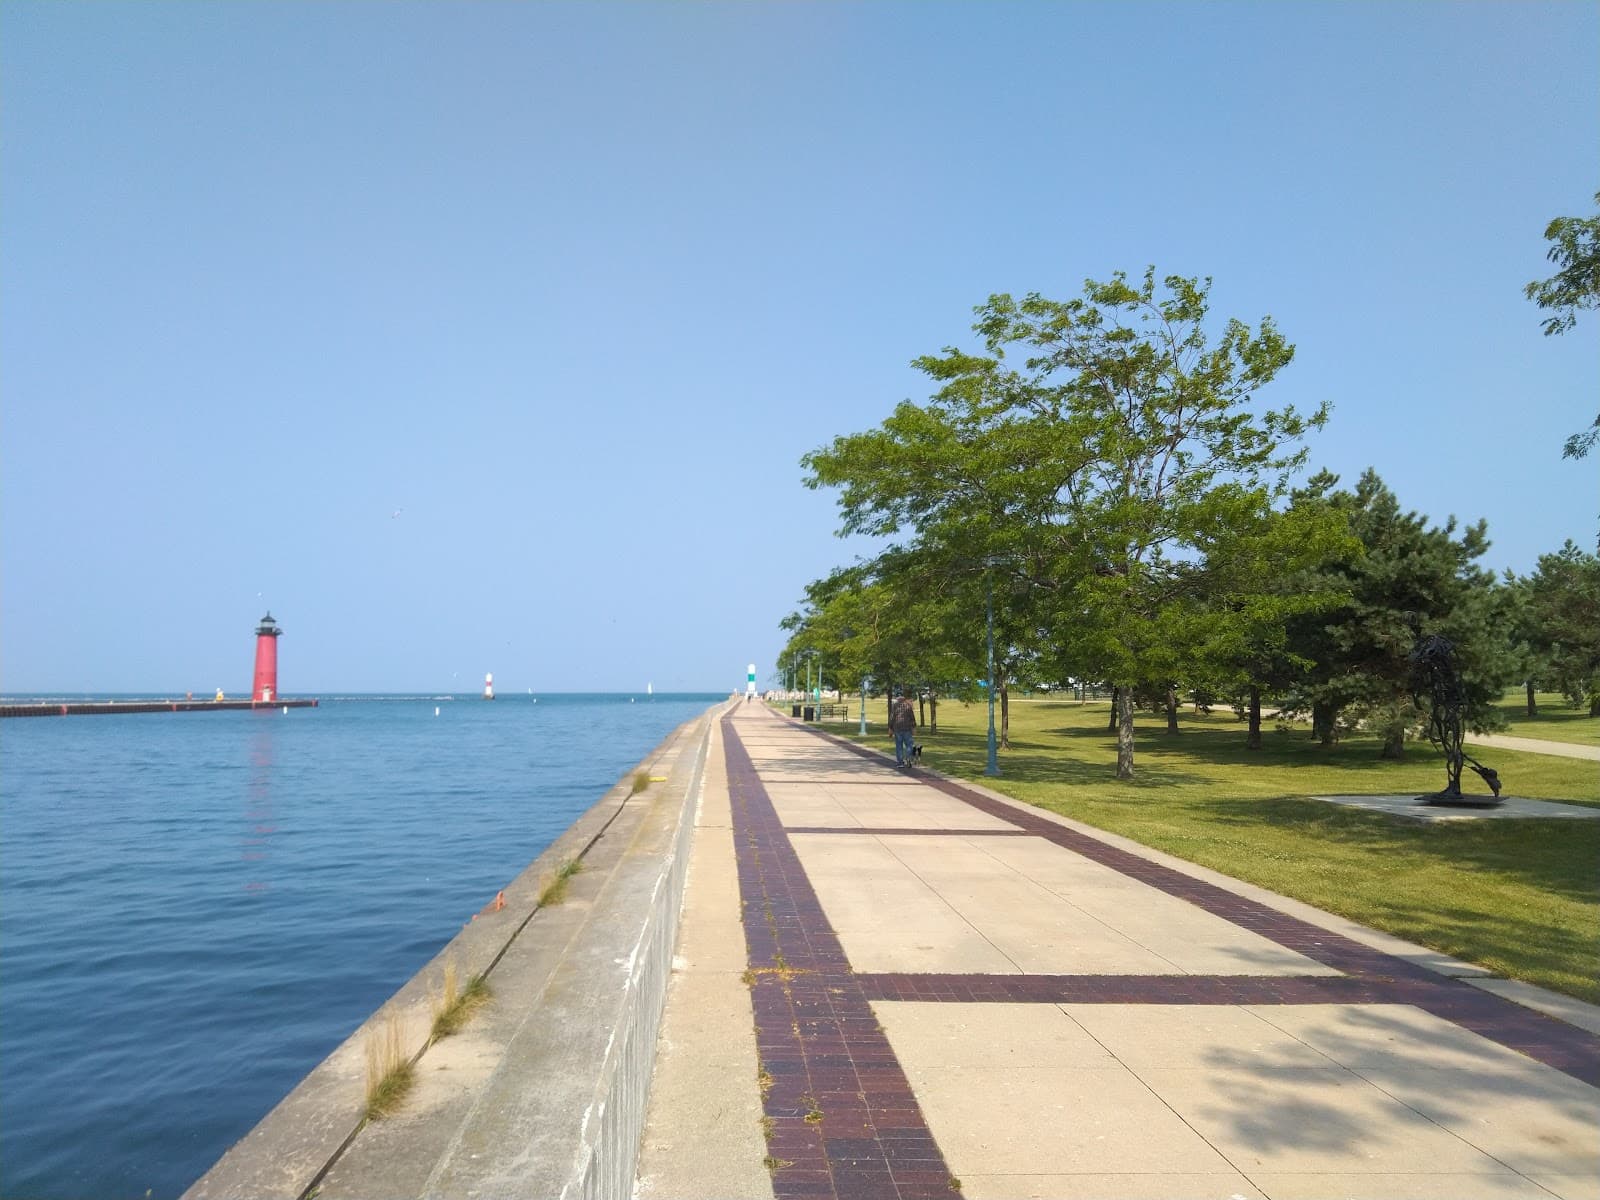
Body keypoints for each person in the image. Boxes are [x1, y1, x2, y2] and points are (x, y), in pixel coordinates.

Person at [889, 691, 917, 767]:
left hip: (897, 728)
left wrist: (890, 728)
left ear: (898, 698)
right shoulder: (908, 706)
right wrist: (914, 727)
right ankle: (908, 759)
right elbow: (912, 718)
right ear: (904, 698)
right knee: (909, 745)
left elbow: (892, 718)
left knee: (899, 746)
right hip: (907, 728)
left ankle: (900, 762)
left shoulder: (894, 706)